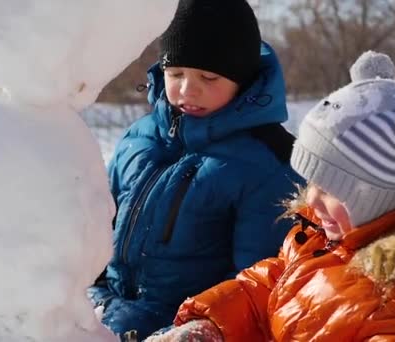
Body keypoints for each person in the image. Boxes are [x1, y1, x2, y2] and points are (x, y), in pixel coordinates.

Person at [146, 51, 395, 342]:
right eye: (312, 182)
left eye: (332, 188)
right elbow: (272, 284)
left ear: (381, 195)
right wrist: (211, 324)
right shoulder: (322, 238)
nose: (313, 200)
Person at [88, 0, 304, 339]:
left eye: (208, 77)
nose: (188, 90)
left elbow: (260, 290)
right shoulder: (139, 138)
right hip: (101, 318)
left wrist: (196, 330)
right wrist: (89, 296)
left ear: (242, 80)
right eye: (175, 74)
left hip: (185, 330)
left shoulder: (267, 164)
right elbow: (94, 227)